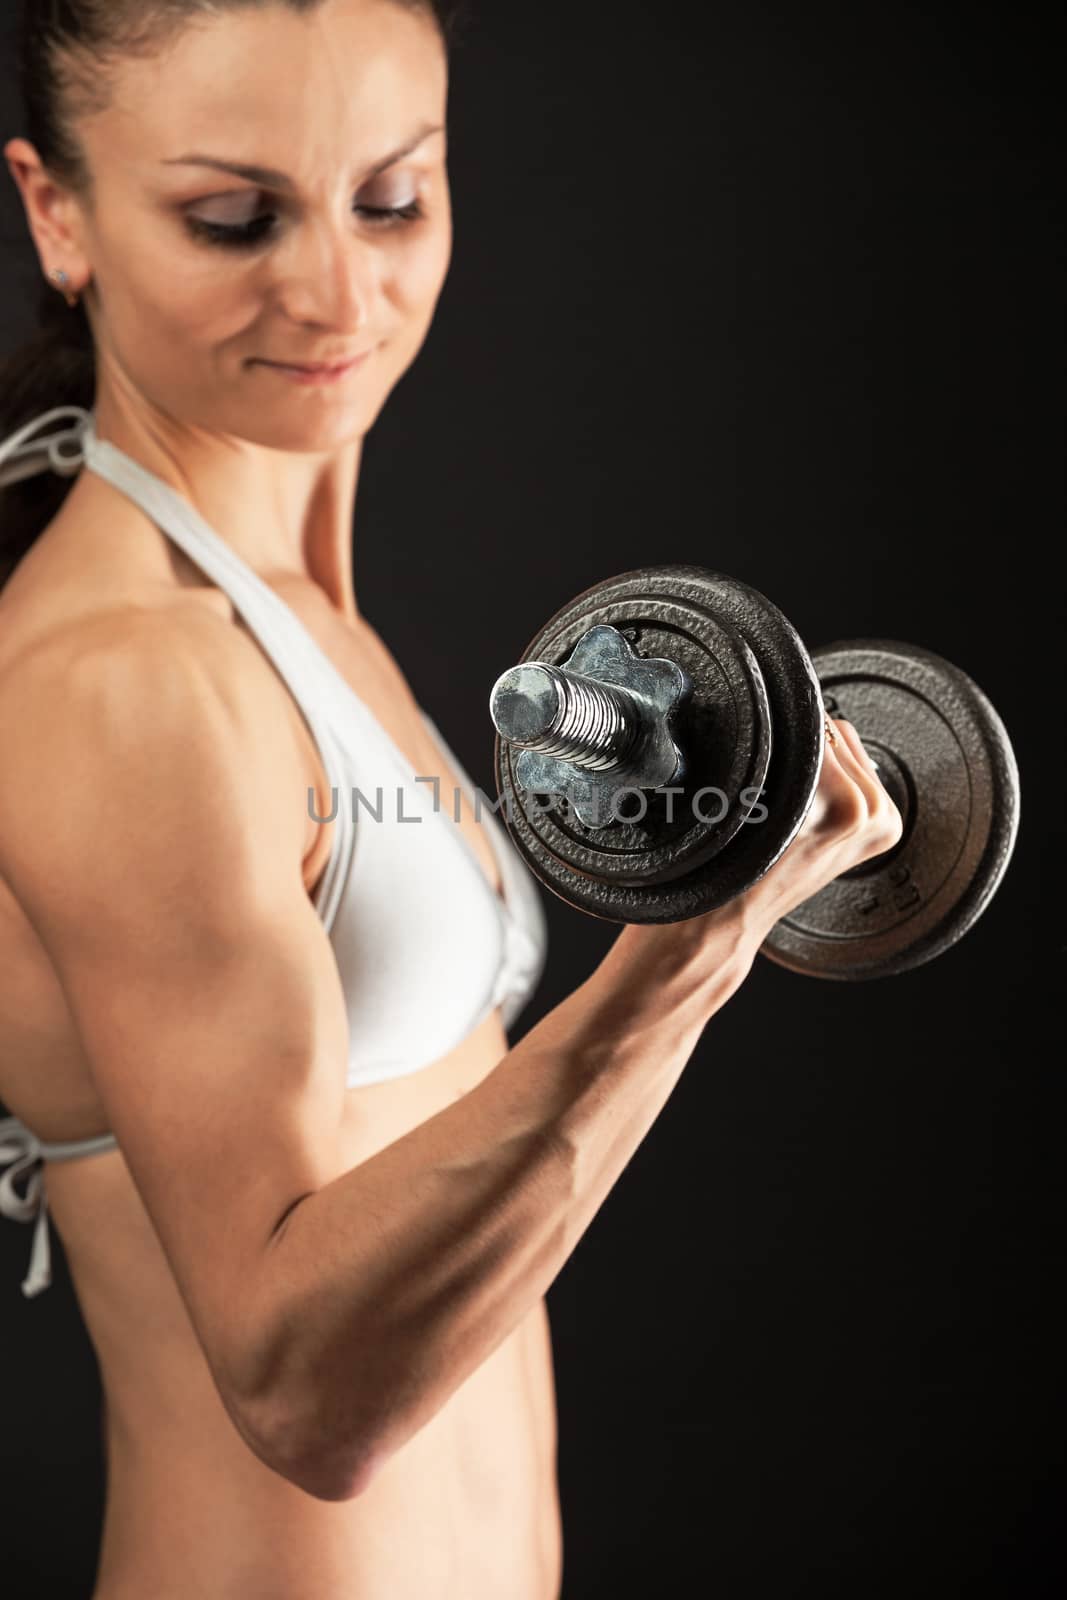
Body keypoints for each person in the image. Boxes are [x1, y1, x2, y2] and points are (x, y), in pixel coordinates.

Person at [0, 2, 903, 1596]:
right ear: (56, 214)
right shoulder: (122, 680)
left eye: (393, 195)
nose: (342, 291)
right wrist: (688, 956)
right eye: (235, 217)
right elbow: (300, 1392)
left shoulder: (285, 607)